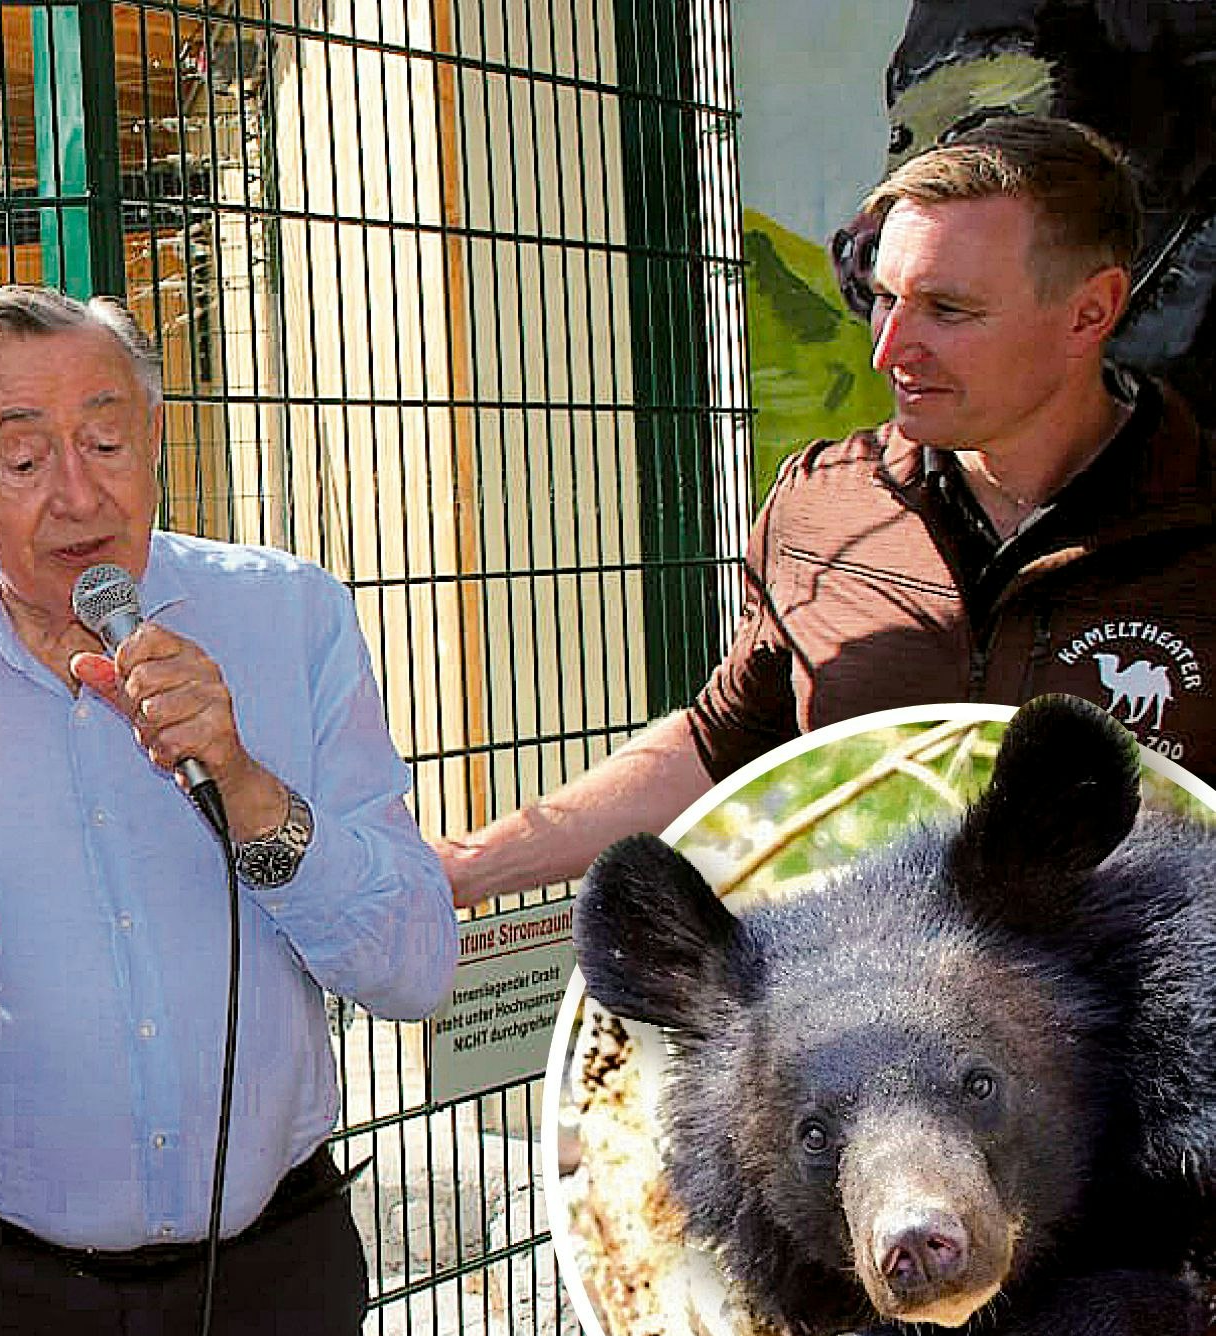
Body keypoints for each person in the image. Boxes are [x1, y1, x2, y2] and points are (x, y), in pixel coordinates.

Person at [0, 285, 459, 1336]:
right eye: (23, 459)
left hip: (268, 1293)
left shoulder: (289, 616)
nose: (81, 494)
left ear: (156, 435)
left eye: (108, 441)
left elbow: (413, 968)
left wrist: (244, 784)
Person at [435, 115, 1216, 907]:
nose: (889, 349)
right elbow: (724, 744)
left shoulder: (1198, 519)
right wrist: (468, 866)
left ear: (1090, 312)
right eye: (884, 299)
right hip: (870, 975)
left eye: (948, 310)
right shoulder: (824, 503)